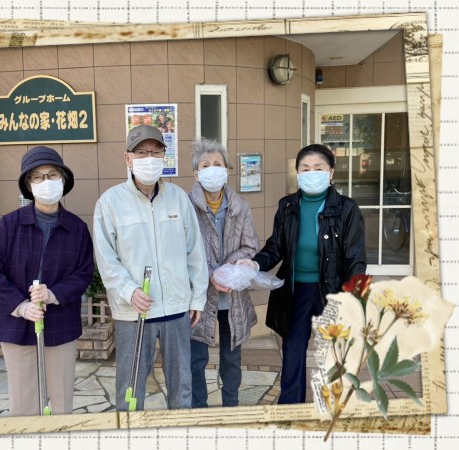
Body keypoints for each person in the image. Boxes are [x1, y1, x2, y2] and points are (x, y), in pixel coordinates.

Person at [237, 144, 366, 404]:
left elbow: (355, 259)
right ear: (297, 173)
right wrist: (255, 264)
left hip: (333, 291)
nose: (311, 173)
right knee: (293, 351)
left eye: (318, 168)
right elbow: (276, 246)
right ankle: (290, 407)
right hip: (296, 292)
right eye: (305, 169)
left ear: (331, 172)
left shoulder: (346, 208)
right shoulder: (288, 206)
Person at [93, 124, 208, 411]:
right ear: (128, 158)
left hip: (176, 309)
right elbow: (106, 258)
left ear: (164, 157)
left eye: (156, 152)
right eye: (142, 152)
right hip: (134, 311)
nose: (149, 158)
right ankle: (130, 433)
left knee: (181, 385)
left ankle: (180, 432)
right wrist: (128, 291)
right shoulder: (110, 202)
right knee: (131, 387)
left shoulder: (178, 198)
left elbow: (195, 252)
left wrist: (197, 298)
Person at [0, 146, 94, 416]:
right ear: (28, 184)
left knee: (61, 404)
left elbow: (83, 273)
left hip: (61, 324)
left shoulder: (77, 228)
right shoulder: (9, 225)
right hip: (17, 326)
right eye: (37, 176)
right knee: (24, 405)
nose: (46, 181)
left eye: (52, 174)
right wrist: (21, 306)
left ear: (63, 180)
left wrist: (53, 294)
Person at [188, 138, 260, 408]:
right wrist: (210, 274)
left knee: (232, 359)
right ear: (196, 173)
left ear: (227, 169)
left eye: (217, 164)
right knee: (196, 360)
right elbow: (181, 250)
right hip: (198, 298)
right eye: (205, 165)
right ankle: (199, 411)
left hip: (233, 297)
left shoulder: (241, 206)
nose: (212, 169)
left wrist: (227, 270)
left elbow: (250, 246)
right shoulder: (185, 206)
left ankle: (231, 407)